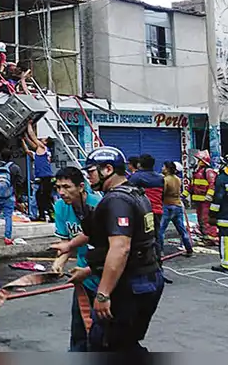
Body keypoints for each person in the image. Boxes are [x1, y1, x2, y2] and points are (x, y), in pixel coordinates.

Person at [81, 146, 164, 352]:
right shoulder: (135, 193)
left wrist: (103, 294)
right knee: (125, 342)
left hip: (130, 284)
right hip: (146, 278)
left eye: (90, 171)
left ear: (107, 169)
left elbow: (121, 248)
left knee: (107, 344)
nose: (88, 177)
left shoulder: (117, 200)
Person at [49, 166, 103, 352]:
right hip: (83, 279)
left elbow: (113, 249)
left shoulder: (99, 205)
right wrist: (58, 264)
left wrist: (89, 270)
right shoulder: (60, 206)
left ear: (81, 187)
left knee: (102, 336)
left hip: (105, 276)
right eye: (58, 187)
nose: (61, 192)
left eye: (66, 187)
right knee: (79, 335)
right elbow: (65, 242)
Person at [0, 149, 24, 245]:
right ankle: (7, 237)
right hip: (9, 196)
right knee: (8, 217)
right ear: (11, 156)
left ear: (0, 156)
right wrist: (18, 195)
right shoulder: (15, 168)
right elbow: (20, 182)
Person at [158, 161, 193, 257]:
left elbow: (163, 193)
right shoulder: (178, 179)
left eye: (163, 167)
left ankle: (160, 252)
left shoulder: (165, 180)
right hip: (178, 206)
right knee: (182, 230)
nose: (162, 168)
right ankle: (189, 248)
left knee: (160, 230)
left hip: (167, 206)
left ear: (168, 169)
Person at [23, 121, 54, 221]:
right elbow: (30, 146)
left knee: (44, 198)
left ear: (45, 143)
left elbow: (33, 137)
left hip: (45, 177)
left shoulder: (44, 148)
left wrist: (29, 125)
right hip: (42, 177)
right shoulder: (39, 152)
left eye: (43, 139)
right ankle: (42, 215)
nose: (41, 139)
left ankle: (51, 215)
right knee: (39, 197)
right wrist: (23, 138)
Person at [188, 150, 219, 243]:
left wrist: (209, 195)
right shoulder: (197, 172)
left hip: (206, 202)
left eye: (198, 160)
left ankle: (212, 237)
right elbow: (191, 186)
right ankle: (205, 234)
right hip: (199, 201)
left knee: (207, 219)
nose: (196, 161)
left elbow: (212, 184)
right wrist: (183, 196)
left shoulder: (208, 172)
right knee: (200, 219)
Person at [208, 159, 228, 273]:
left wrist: (212, 214)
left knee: (225, 240)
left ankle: (225, 265)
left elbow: (217, 200)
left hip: (225, 217)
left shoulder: (222, 178)